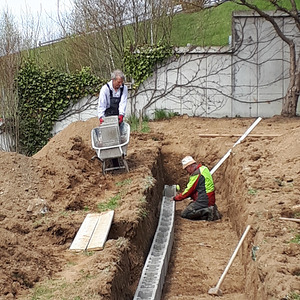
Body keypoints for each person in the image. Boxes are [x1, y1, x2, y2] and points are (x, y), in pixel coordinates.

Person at [172, 155, 222, 221]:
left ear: (189, 167)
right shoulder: (204, 168)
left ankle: (208, 211)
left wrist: (175, 198)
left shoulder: (196, 174)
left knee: (185, 214)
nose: (187, 171)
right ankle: (210, 207)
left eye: (186, 169)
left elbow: (188, 192)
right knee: (191, 205)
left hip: (205, 199)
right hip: (209, 198)